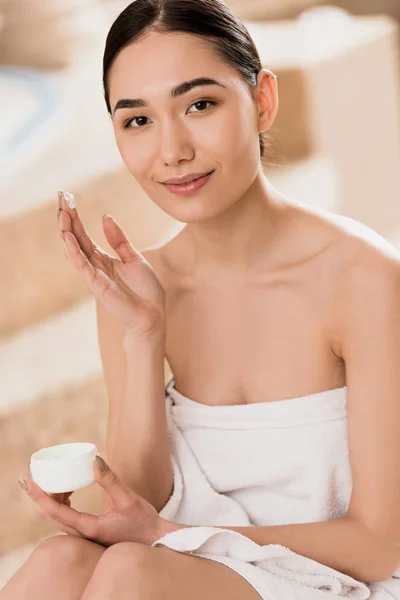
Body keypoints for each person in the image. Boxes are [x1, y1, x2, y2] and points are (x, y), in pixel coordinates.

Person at [2, 0, 400, 598]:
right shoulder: (142, 288)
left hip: (339, 578)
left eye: (200, 105)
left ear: (263, 100)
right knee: (60, 562)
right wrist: (142, 339)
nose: (172, 151)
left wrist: (169, 531)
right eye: (138, 121)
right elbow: (141, 503)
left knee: (131, 574)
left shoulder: (362, 280)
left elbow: (376, 546)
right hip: (185, 561)